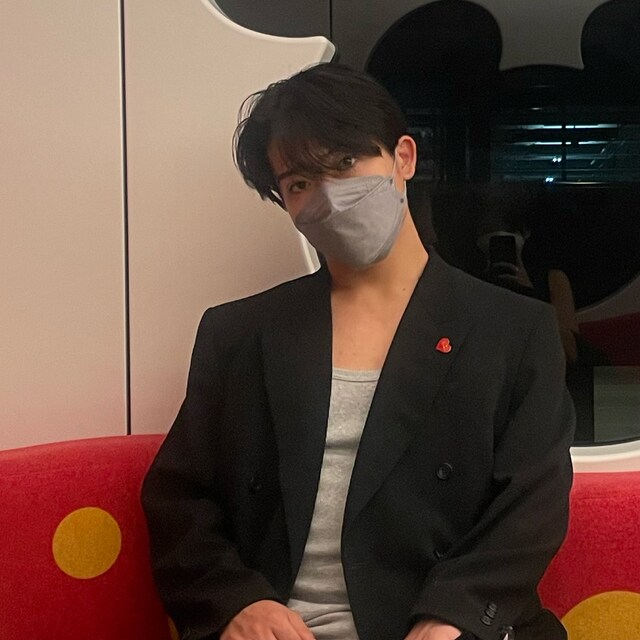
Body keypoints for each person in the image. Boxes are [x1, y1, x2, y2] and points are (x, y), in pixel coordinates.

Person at [141, 63, 575, 640]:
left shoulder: (515, 330)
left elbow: (532, 502)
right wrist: (236, 603)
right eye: (299, 183)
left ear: (404, 158)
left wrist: (454, 616)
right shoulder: (239, 334)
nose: (328, 197)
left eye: (345, 163)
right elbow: (179, 498)